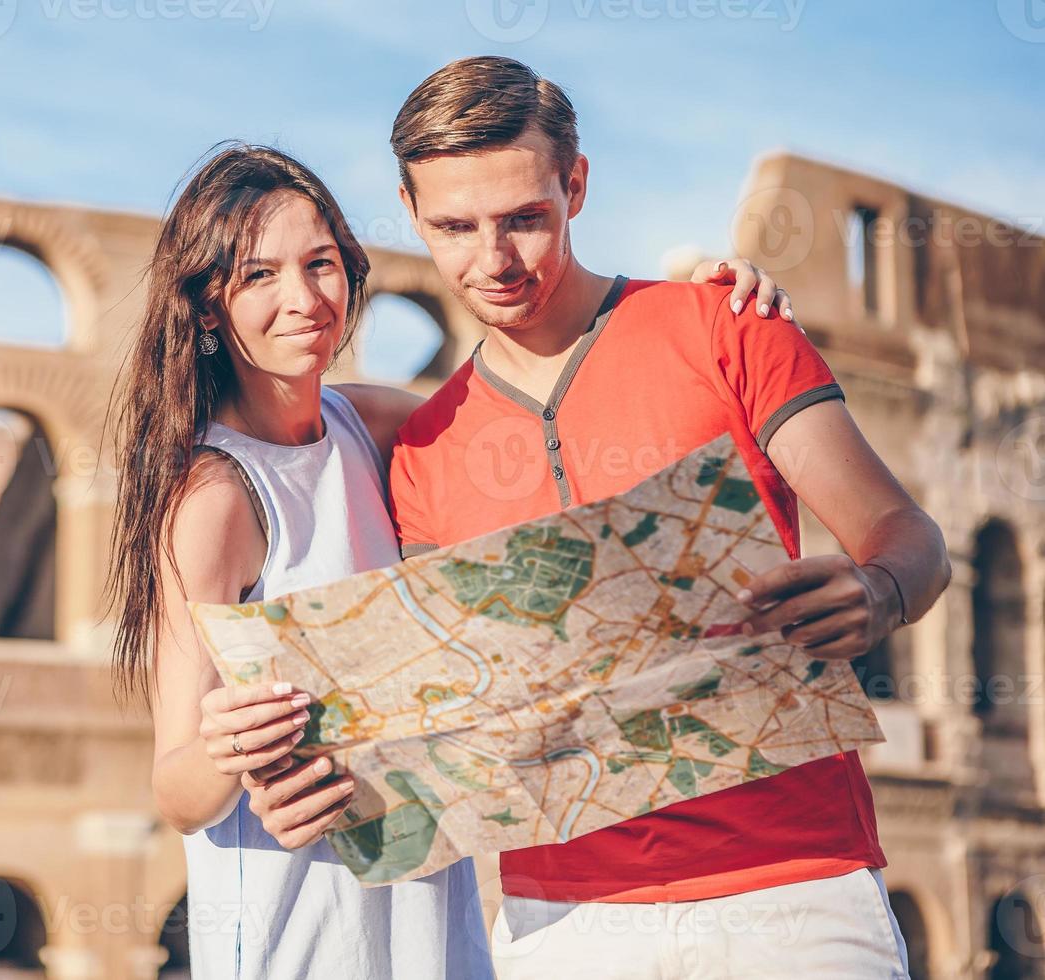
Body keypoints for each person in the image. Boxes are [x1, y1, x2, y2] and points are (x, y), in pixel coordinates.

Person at [247, 57, 951, 980]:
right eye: (454, 227)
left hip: (793, 891)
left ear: (575, 185)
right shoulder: (420, 451)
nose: (493, 261)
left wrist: (880, 588)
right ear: (411, 214)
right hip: (560, 923)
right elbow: (438, 717)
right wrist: (310, 787)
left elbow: (911, 537)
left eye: (524, 220)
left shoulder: (725, 326)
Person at [107, 140, 800, 979]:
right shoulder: (211, 496)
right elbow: (175, 793)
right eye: (258, 276)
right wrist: (226, 749)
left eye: (320, 263)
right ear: (208, 307)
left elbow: (550, 399)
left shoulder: (375, 424)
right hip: (301, 935)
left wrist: (702, 311)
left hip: (430, 927)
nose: (303, 299)